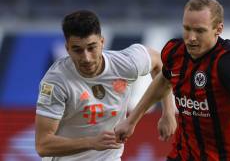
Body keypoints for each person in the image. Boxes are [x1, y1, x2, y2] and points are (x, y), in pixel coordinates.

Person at [115, 0, 230, 161]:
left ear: (218, 29)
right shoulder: (175, 52)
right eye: (187, 28)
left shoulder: (227, 61)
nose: (191, 38)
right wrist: (133, 120)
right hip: (182, 155)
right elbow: (163, 80)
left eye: (200, 31)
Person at [35, 10, 176, 161]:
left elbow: (159, 64)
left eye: (91, 47)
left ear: (102, 42)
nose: (86, 58)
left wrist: (168, 111)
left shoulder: (126, 63)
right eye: (77, 50)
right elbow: (43, 145)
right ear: (67, 48)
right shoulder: (56, 82)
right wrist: (91, 142)